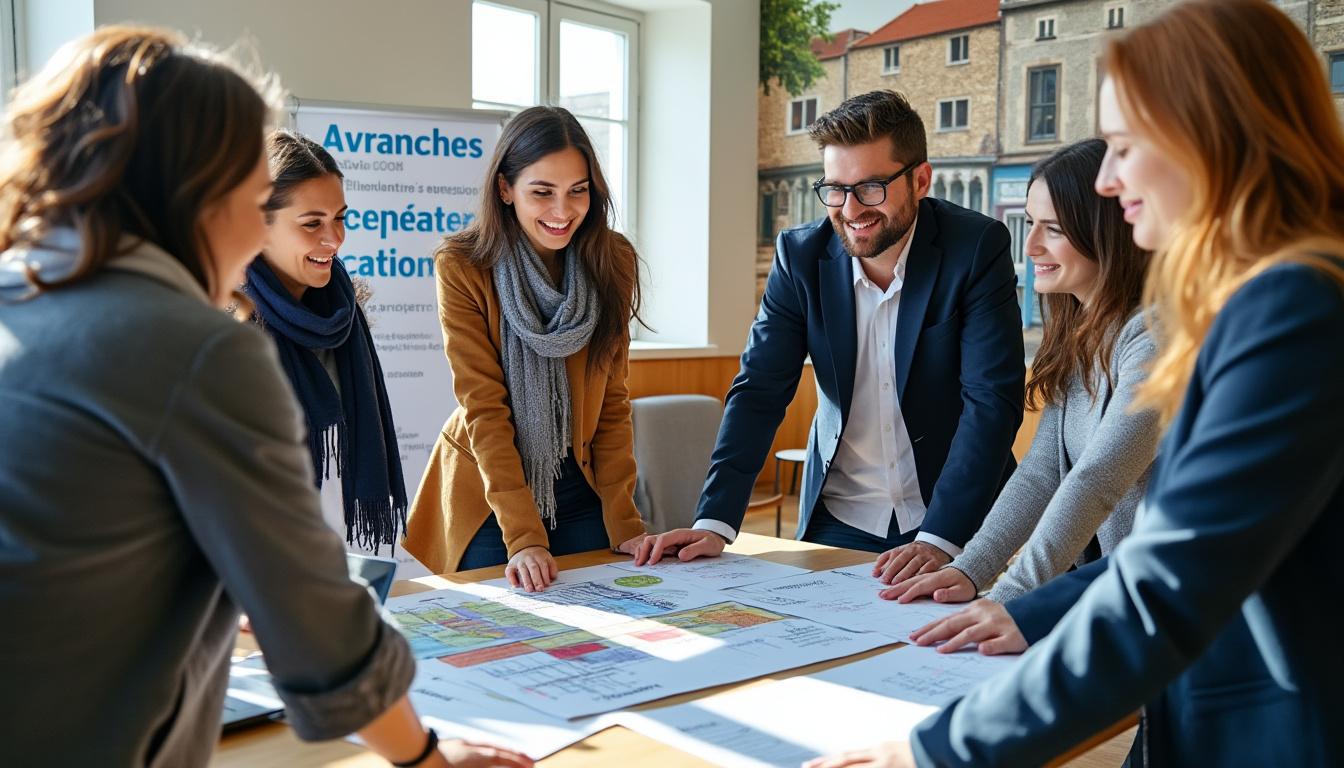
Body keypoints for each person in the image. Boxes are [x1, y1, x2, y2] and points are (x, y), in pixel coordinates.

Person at [807, 1, 1344, 766]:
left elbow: (1171, 577)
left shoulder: (1293, 305)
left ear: (1209, 137)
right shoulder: (1265, 299)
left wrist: (933, 751)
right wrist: (1012, 600)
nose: (1111, 179)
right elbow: (1150, 545)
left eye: (1125, 147)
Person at [0, 27, 529, 768]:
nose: (256, 230)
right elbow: (314, 614)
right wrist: (426, 759)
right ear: (193, 191)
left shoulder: (21, 293)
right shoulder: (197, 347)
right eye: (252, 198)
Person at [635, 90, 1024, 576]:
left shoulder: (975, 248)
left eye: (871, 187)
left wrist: (938, 539)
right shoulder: (799, 257)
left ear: (921, 180)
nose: (851, 208)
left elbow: (991, 401)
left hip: (955, 520)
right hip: (840, 516)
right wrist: (714, 521)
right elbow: (759, 389)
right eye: (836, 188)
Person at [879, 138, 1157, 607]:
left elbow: (1097, 479)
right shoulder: (1083, 332)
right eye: (1030, 223)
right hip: (1103, 590)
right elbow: (1041, 471)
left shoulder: (1155, 338)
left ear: (1108, 233)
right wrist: (970, 569)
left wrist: (1006, 598)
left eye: (1054, 229)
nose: (1030, 246)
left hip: (1153, 602)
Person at [403, 106, 648, 591]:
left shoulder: (612, 259)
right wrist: (523, 536)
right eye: (542, 192)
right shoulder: (463, 265)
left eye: (578, 190)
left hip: (582, 487)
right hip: (491, 494)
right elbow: (484, 408)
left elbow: (612, 403)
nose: (562, 211)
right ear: (505, 189)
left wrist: (625, 522)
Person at [244, 130, 414, 565]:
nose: (335, 239)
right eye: (312, 223)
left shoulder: (345, 315)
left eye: (340, 218)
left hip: (336, 557)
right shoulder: (227, 328)